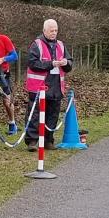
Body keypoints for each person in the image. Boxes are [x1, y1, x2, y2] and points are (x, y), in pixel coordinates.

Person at [22, 18, 72, 148]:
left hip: (56, 85)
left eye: (56, 30)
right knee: (35, 114)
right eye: (51, 31)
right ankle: (32, 141)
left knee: (53, 113)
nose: (54, 33)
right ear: (44, 31)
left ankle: (48, 140)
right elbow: (32, 63)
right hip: (39, 85)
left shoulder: (61, 44)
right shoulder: (36, 44)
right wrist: (51, 64)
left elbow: (70, 62)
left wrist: (66, 63)